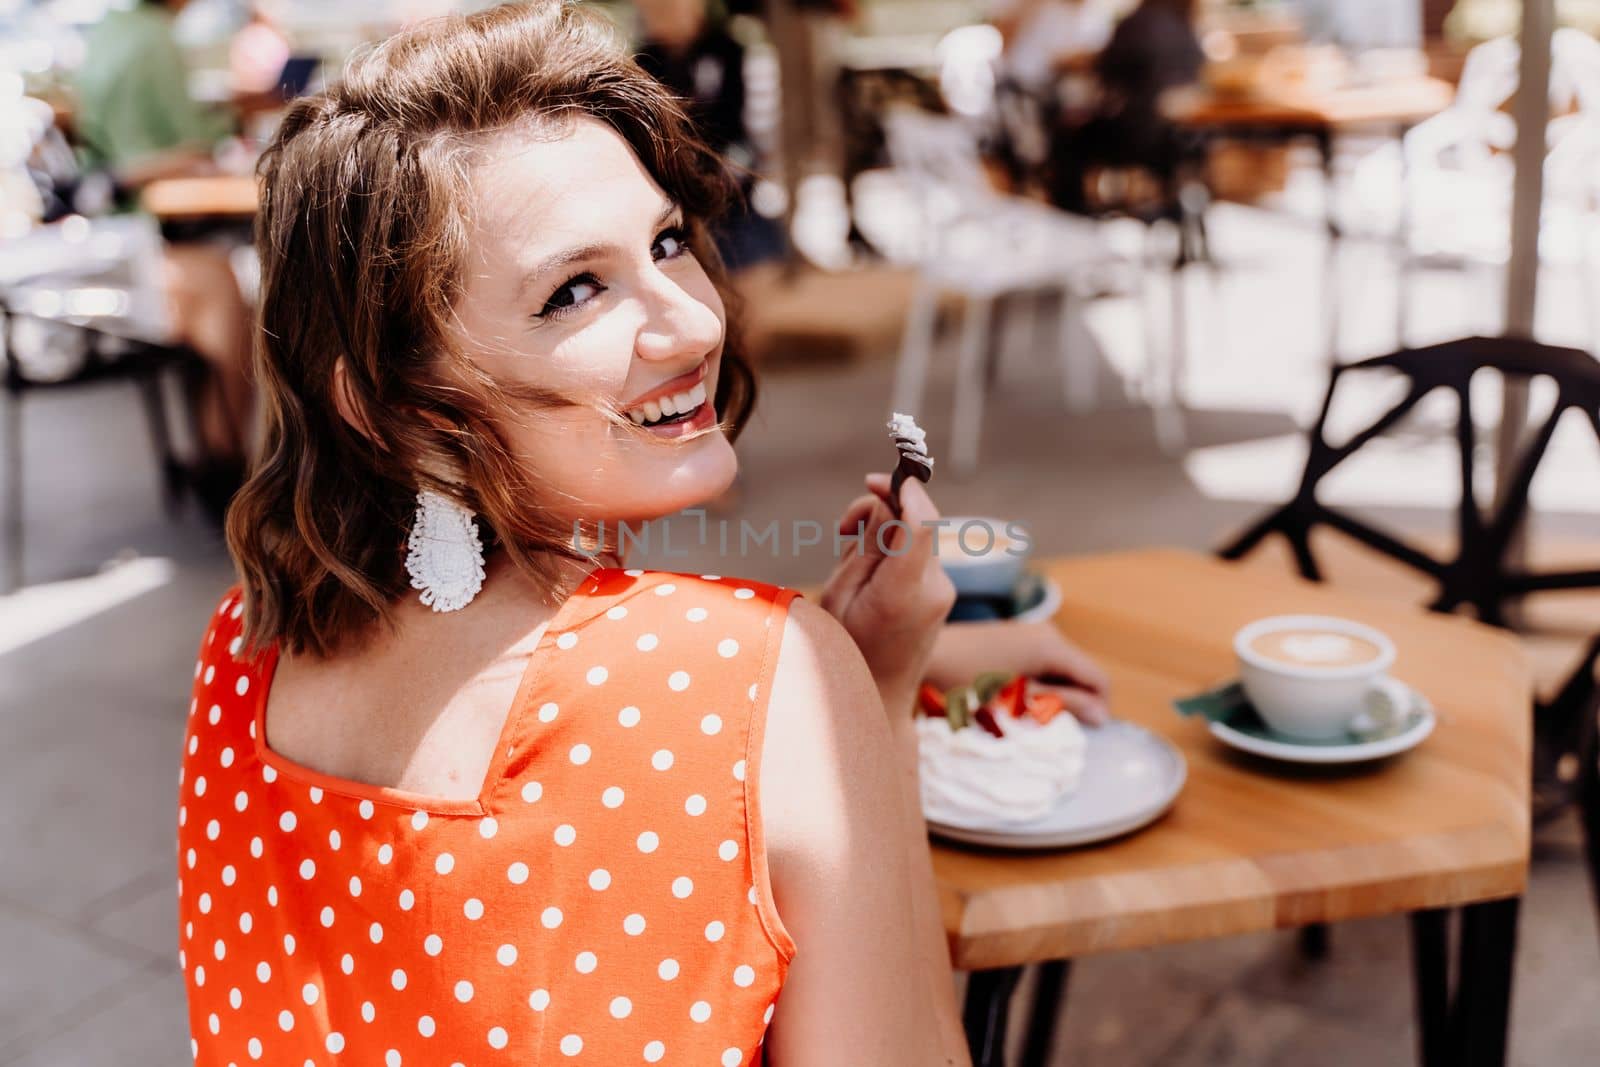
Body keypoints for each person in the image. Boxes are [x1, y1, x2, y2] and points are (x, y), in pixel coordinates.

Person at [174, 4, 1108, 1062]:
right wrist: (869, 700)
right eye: (574, 291)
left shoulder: (242, 652)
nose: (695, 320)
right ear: (391, 401)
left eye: (666, 241)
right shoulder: (759, 679)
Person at [73, 0, 255, 515]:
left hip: (112, 232)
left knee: (225, 290)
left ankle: (222, 460)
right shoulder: (150, 40)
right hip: (123, 249)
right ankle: (224, 464)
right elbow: (146, 160)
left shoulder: (114, 29)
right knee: (223, 293)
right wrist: (211, 148)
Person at [1048, 0, 1206, 214]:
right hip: (1180, 140)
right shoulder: (1187, 29)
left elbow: (1107, 71)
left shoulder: (1138, 23)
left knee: (1065, 135)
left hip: (1137, 135)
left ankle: (1071, 216)